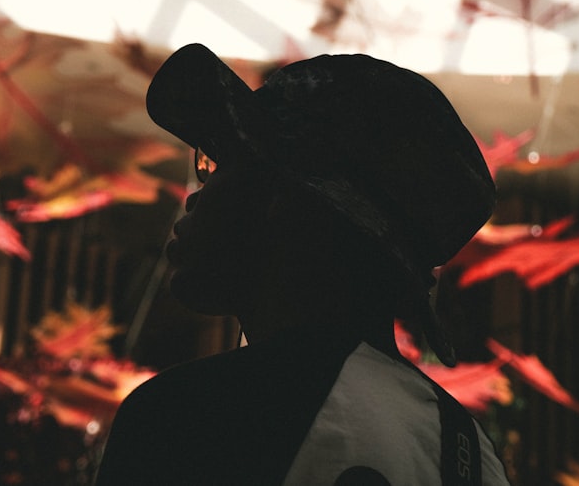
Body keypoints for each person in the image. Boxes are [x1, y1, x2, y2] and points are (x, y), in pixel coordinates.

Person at [94, 43, 510, 485]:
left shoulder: (193, 413)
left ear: (285, 201)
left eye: (217, 164)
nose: (195, 196)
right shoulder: (471, 454)